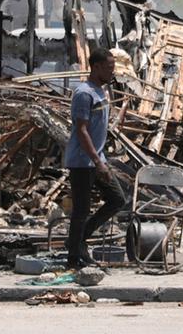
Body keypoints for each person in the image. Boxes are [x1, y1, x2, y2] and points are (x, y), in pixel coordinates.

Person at [63, 46, 126, 269]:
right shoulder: (84, 93)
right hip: (82, 161)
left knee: (117, 199)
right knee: (81, 209)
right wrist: (98, 162)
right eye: (109, 68)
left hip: (98, 158)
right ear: (96, 67)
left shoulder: (102, 91)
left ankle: (78, 241)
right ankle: (73, 258)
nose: (112, 72)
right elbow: (81, 130)